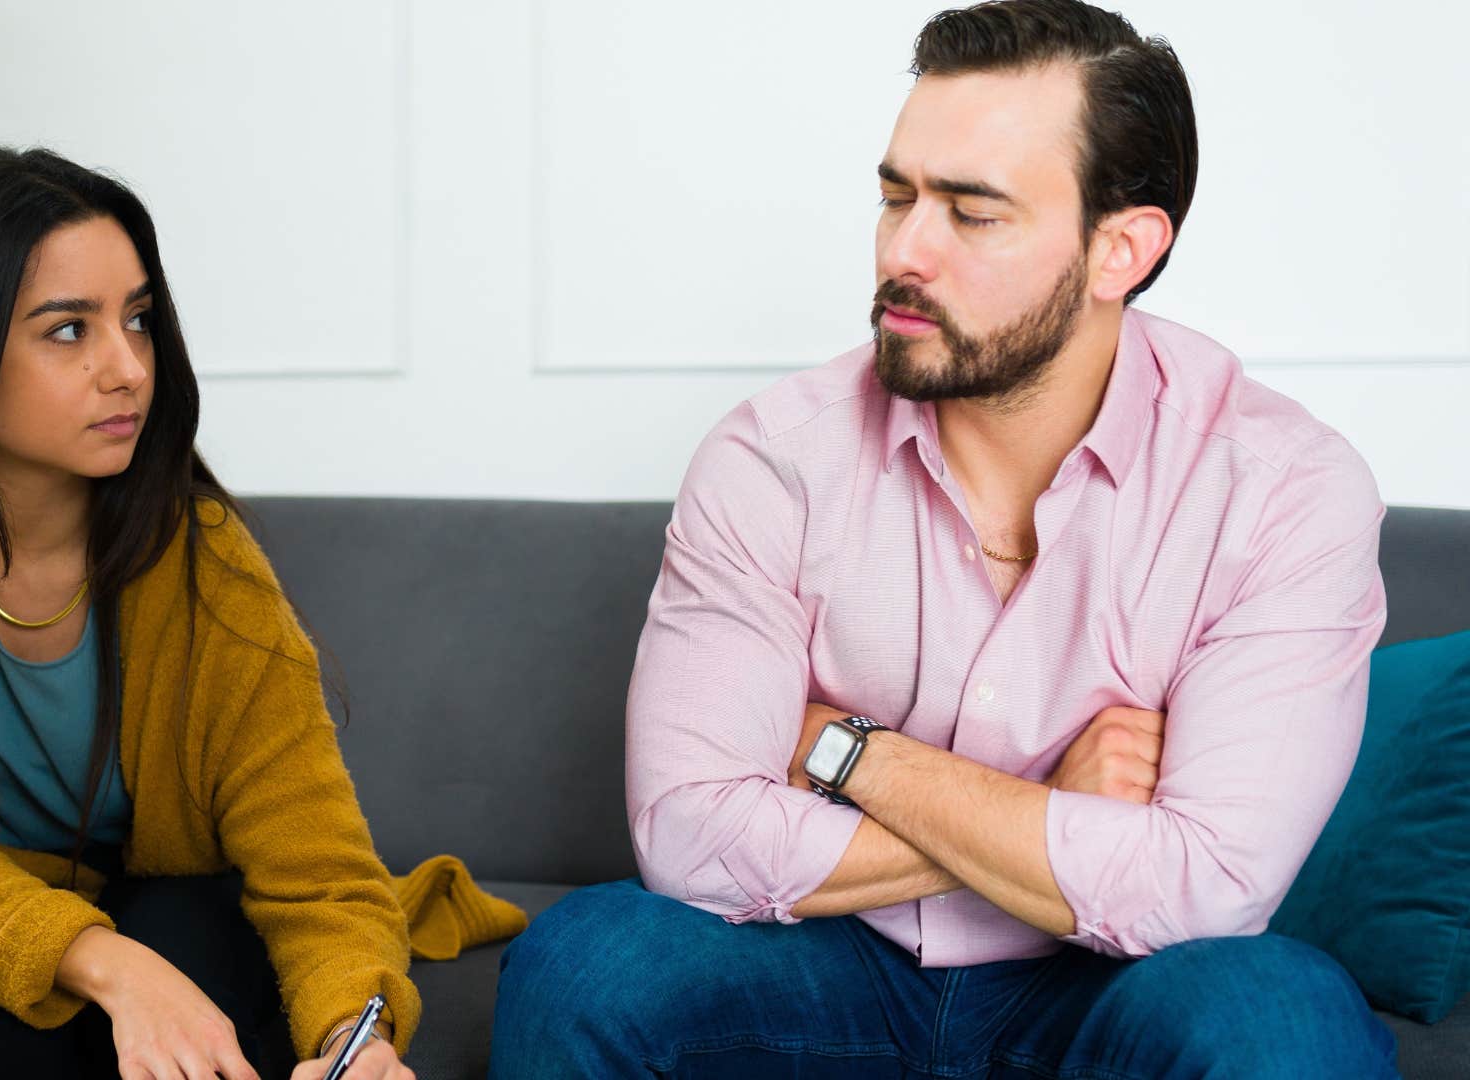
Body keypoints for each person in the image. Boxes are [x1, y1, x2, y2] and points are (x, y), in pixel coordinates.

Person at [491, 2, 1398, 1076]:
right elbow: (689, 841)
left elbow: (1202, 889)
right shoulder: (771, 459)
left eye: (972, 213)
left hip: (1108, 987)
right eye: (895, 195)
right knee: (589, 961)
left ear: (1122, 248)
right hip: (821, 965)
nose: (904, 250)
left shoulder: (1283, 489)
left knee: (1280, 1014)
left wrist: (846, 752)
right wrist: (1053, 807)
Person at [0, 147, 520, 1079]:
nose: (129, 369)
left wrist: (355, 1045)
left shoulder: (198, 554)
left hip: (160, 899)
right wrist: (113, 969)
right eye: (68, 330)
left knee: (200, 942)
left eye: (139, 318)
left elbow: (315, 866)